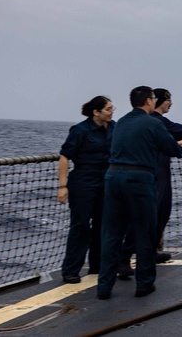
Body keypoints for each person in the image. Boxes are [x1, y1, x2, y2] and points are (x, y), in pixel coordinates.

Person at [95, 86, 182, 300]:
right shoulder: (153, 123)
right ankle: (144, 283)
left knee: (112, 234)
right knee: (145, 231)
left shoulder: (120, 123)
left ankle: (104, 286)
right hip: (139, 180)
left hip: (113, 178)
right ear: (149, 101)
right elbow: (171, 149)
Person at [120, 88, 182, 270]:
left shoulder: (156, 121)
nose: (171, 103)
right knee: (147, 215)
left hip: (161, 171)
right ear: (157, 101)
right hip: (153, 173)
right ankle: (124, 257)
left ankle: (150, 251)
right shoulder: (155, 120)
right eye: (168, 100)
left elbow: (163, 141)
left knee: (163, 212)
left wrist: (176, 144)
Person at [56, 96, 115, 283]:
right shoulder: (80, 130)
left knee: (102, 224)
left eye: (112, 108)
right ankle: (71, 270)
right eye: (108, 109)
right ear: (96, 112)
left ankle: (97, 265)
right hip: (83, 180)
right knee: (80, 225)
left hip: (106, 180)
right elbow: (65, 157)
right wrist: (62, 186)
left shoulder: (114, 128)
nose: (111, 112)